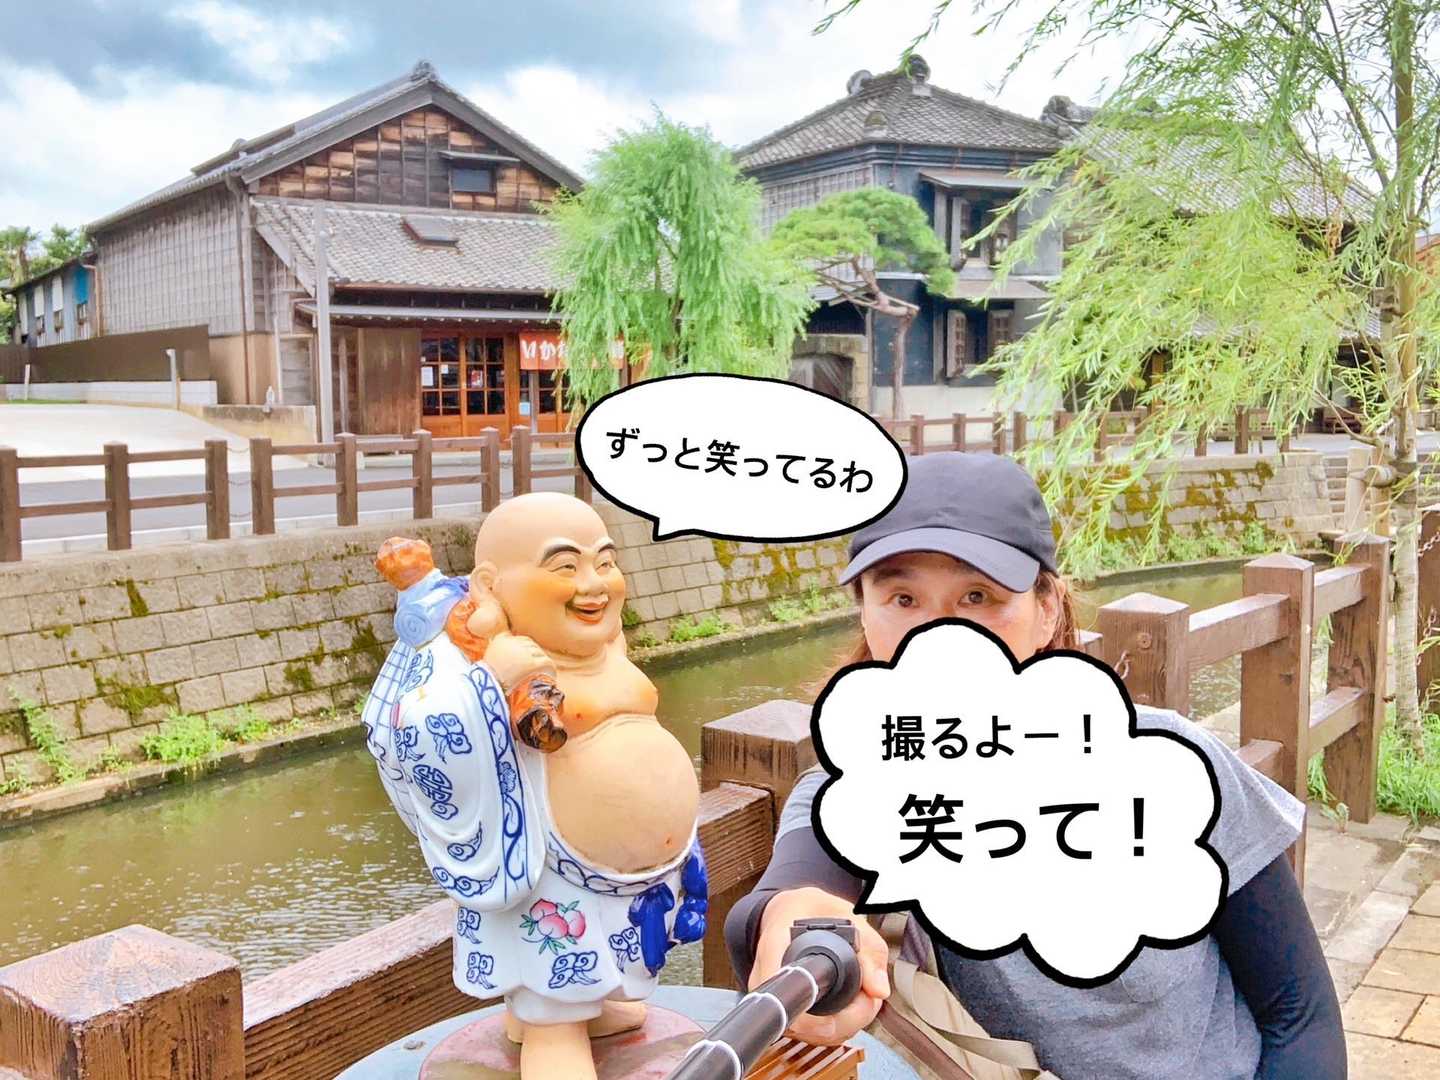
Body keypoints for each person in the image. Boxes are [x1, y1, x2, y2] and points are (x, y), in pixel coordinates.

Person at [724, 453, 1345, 1080]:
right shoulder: (854, 793)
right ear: (864, 611)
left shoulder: (1173, 762)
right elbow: (794, 892)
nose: (936, 636)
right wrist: (792, 931)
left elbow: (1298, 1009)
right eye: (902, 598)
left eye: (978, 596)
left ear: (1047, 609)